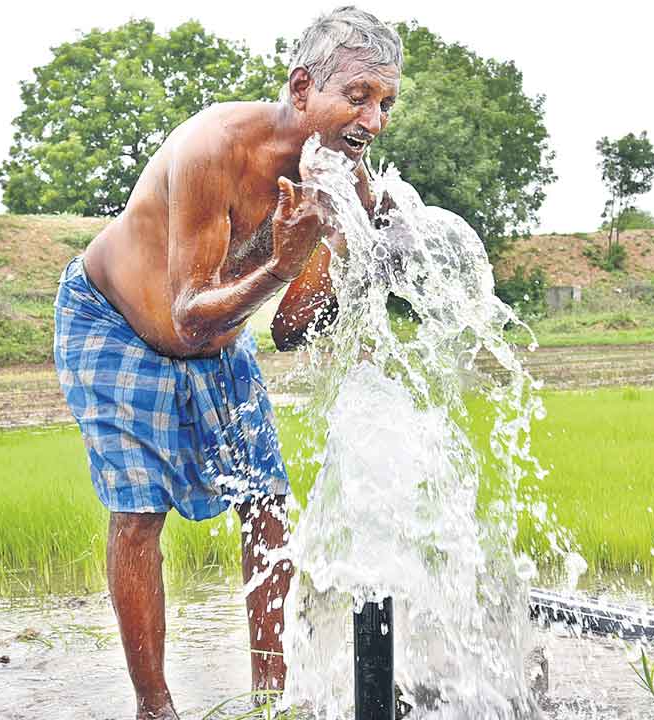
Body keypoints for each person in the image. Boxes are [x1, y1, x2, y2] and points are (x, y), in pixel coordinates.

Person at [52, 7, 402, 718]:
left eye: (386, 102)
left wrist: (360, 248)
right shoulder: (215, 148)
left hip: (219, 336)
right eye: (358, 96)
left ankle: (270, 701)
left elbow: (292, 329)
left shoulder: (338, 182)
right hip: (115, 324)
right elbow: (184, 311)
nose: (374, 119)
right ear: (302, 90)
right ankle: (156, 707)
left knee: (267, 502)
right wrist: (282, 261)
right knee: (139, 510)